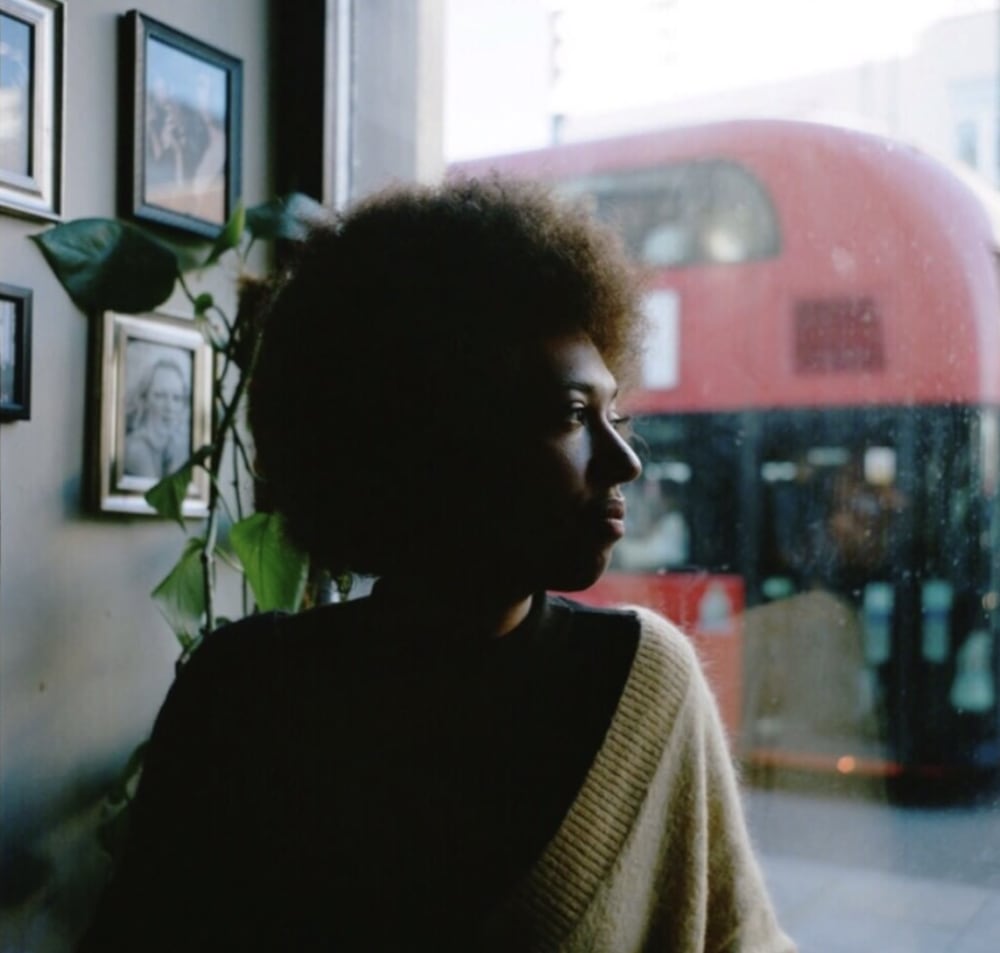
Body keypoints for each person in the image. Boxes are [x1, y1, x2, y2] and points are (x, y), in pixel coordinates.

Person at [78, 178, 795, 952]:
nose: (626, 460)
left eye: (613, 414)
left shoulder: (645, 683)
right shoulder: (243, 697)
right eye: (572, 414)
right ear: (434, 436)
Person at [122, 356, 189, 479]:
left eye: (177, 398)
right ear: (144, 400)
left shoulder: (170, 448)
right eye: (160, 396)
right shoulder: (136, 449)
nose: (169, 407)